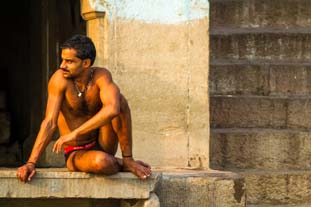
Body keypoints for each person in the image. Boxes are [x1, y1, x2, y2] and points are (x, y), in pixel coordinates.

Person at [16, 34, 151, 183]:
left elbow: (113, 109)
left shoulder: (101, 76)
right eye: (62, 60)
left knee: (118, 99)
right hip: (77, 152)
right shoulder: (59, 80)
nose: (62, 65)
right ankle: (121, 163)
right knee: (103, 162)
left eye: (69, 61)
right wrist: (31, 163)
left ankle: (127, 159)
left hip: (103, 142)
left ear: (86, 63)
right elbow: (49, 123)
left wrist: (75, 133)